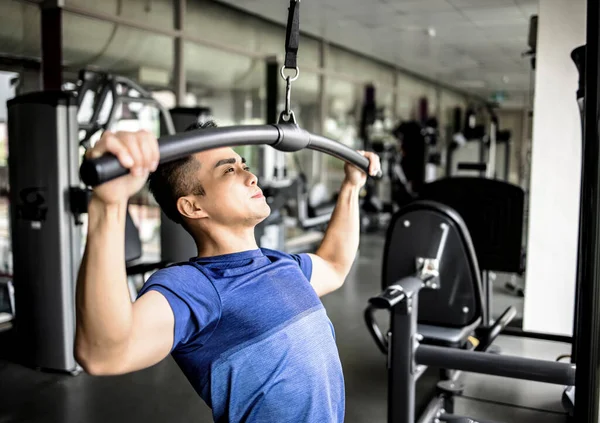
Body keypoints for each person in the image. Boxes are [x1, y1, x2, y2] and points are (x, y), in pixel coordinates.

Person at [74, 121, 381, 423]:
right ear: (193, 207)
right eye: (229, 170)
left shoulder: (283, 264)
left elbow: (336, 265)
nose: (251, 176)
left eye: (243, 164)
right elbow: (104, 354)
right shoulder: (196, 287)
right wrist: (109, 203)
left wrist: (352, 186)